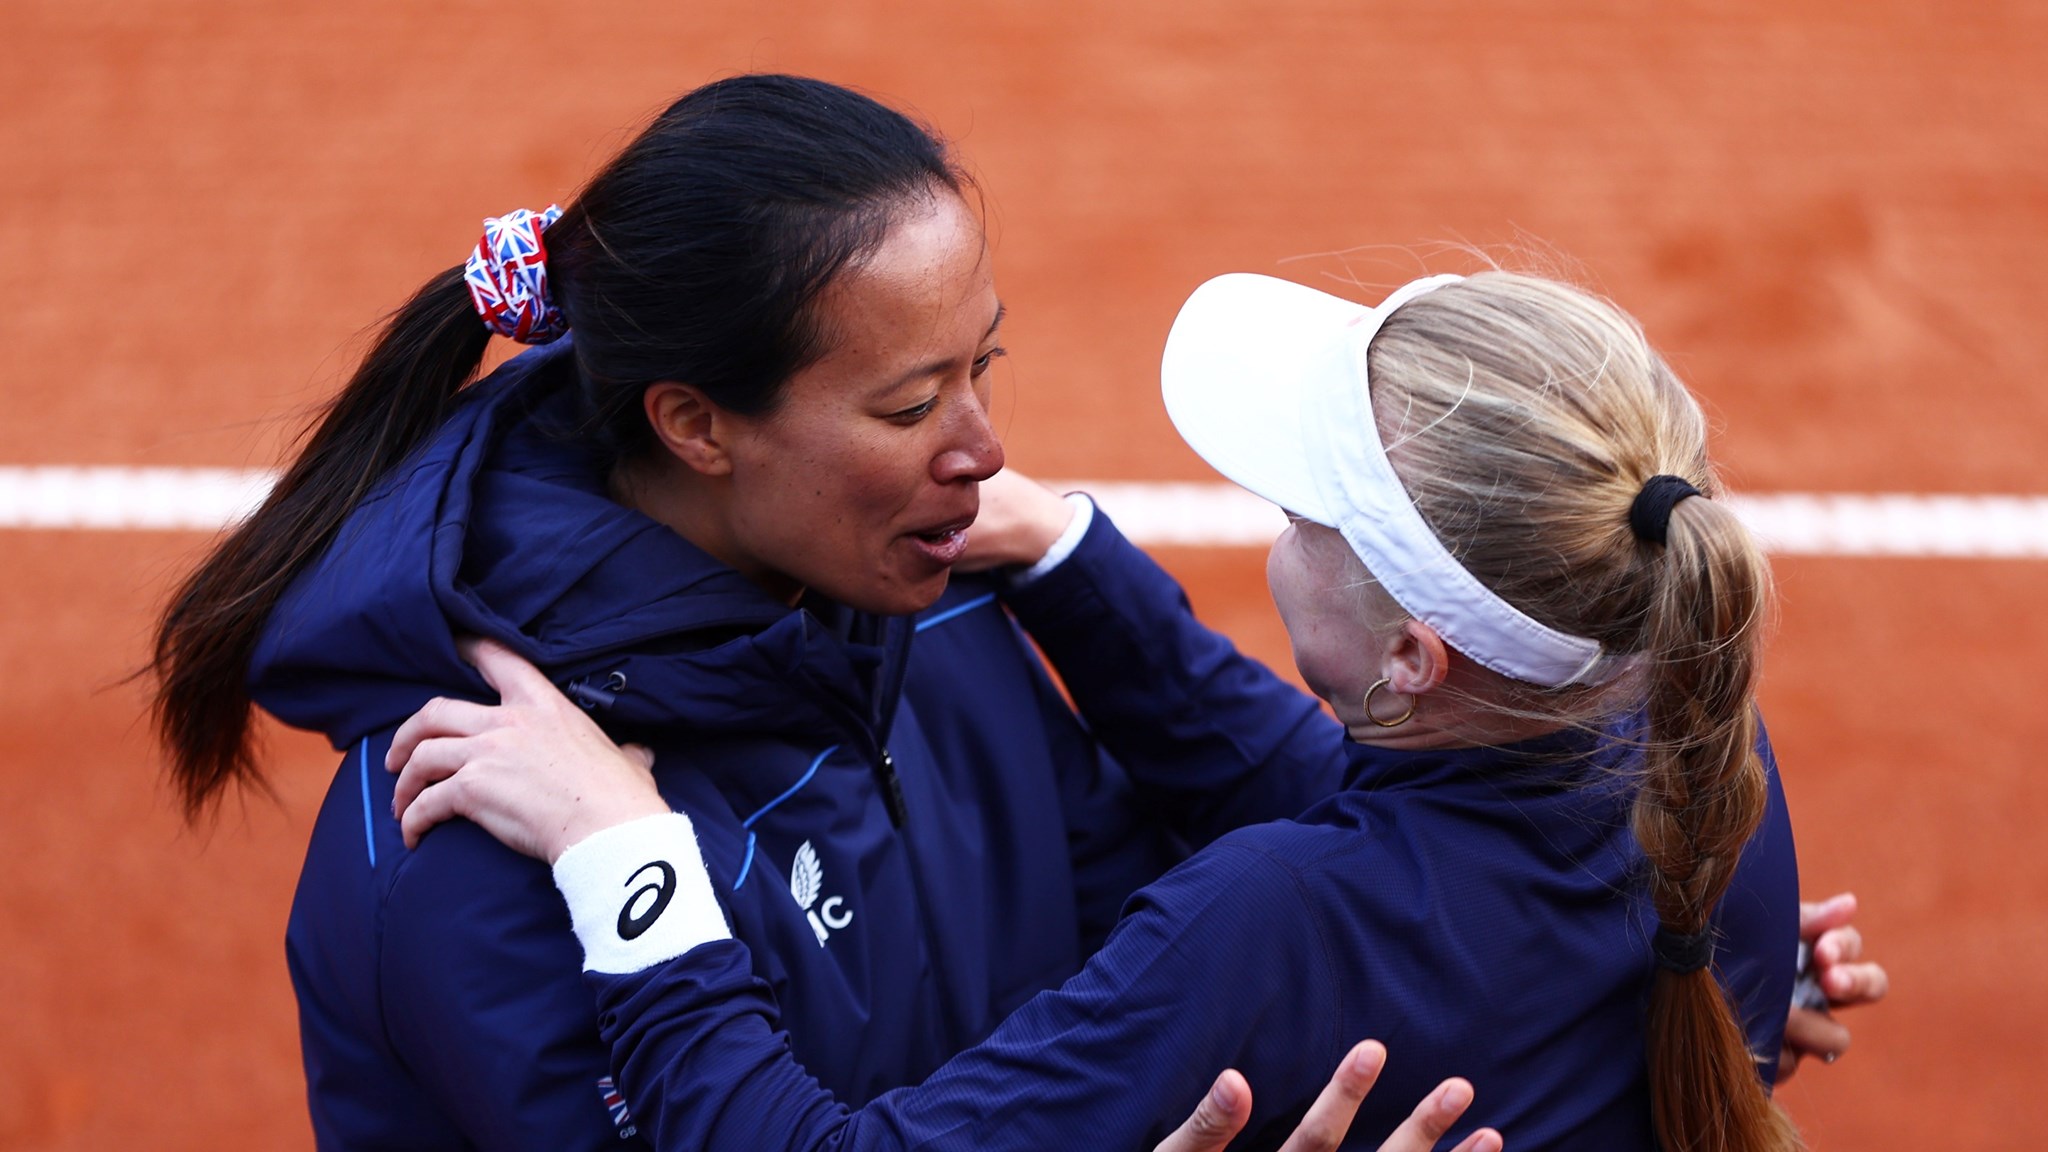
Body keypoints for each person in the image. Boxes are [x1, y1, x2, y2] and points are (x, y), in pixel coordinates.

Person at [148, 74, 1473, 1149]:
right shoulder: (473, 828)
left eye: (983, 366)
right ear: (697, 425)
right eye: (910, 406)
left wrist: (1079, 566)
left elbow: (1169, 923)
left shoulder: (921, 599)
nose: (989, 452)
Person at [389, 269, 1820, 1150]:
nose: (1273, 522)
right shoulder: (1709, 795)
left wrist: (629, 865)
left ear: (1413, 663)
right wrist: (1063, 555)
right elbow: (1323, 787)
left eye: (1304, 514)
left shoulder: (1272, 922)